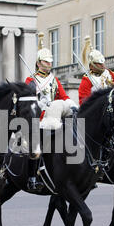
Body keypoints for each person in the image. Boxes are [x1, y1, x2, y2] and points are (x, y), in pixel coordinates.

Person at [24, 32, 78, 192]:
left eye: (50, 62)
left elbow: (63, 95)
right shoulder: (30, 80)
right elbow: (28, 102)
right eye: (46, 62)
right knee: (36, 146)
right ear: (39, 63)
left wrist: (71, 104)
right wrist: (40, 102)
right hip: (38, 118)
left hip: (54, 117)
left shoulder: (53, 79)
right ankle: (32, 177)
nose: (49, 64)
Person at [78, 36, 114, 105]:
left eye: (102, 62)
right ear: (91, 66)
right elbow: (84, 103)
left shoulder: (112, 75)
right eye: (98, 63)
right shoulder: (87, 80)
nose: (102, 65)